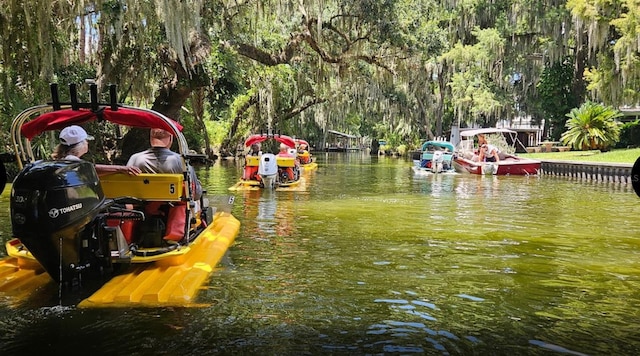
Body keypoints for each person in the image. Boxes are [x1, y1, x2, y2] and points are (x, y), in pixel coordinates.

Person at [127, 128, 202, 199]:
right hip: (173, 208)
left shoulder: (135, 158)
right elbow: (196, 194)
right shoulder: (181, 161)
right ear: (170, 139)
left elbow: (126, 188)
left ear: (150, 139)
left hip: (143, 208)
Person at [52, 125, 141, 176]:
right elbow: (93, 168)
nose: (87, 143)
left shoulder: (60, 159)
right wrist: (121, 168)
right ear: (80, 145)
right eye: (86, 141)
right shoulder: (71, 160)